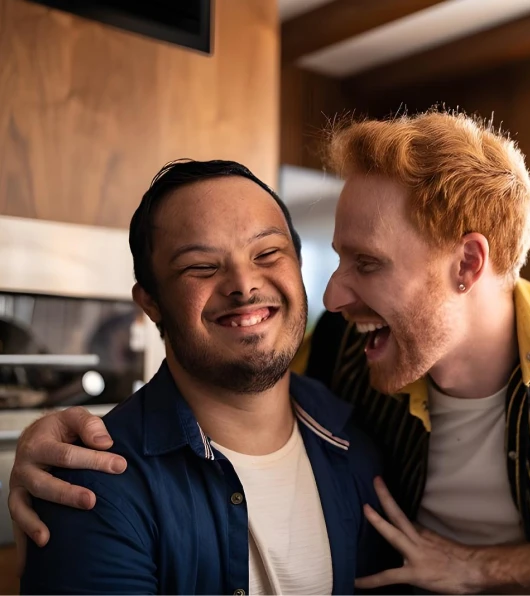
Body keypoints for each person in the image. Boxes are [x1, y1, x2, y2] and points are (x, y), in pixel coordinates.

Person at [10, 111, 530, 595]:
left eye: (367, 262)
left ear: (468, 263)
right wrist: (47, 434)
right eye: (335, 260)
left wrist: (484, 569)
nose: (332, 293)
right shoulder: (337, 358)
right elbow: (230, 369)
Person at [15, 159, 388, 595]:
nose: (244, 284)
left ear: (299, 263)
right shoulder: (93, 486)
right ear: (151, 302)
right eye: (201, 267)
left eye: (267, 253)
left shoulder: (356, 438)